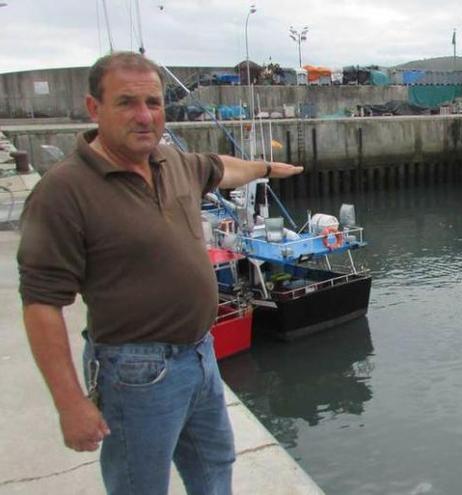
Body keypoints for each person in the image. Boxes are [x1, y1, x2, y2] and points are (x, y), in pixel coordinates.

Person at [17, 51, 302, 494]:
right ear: (94, 108)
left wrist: (266, 169)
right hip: (136, 371)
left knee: (214, 465)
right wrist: (69, 402)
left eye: (153, 102)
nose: (144, 115)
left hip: (200, 356)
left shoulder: (172, 162)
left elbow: (222, 168)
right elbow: (41, 304)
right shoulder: (63, 191)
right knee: (140, 485)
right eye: (127, 102)